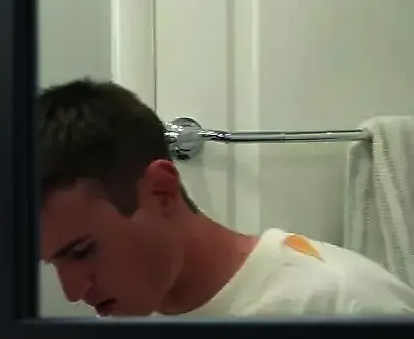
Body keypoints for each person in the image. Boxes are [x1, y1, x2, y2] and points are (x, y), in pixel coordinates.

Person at [35, 78, 414, 318]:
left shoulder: (346, 304)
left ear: (160, 191)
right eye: (52, 263)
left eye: (82, 251)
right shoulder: (117, 337)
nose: (72, 292)